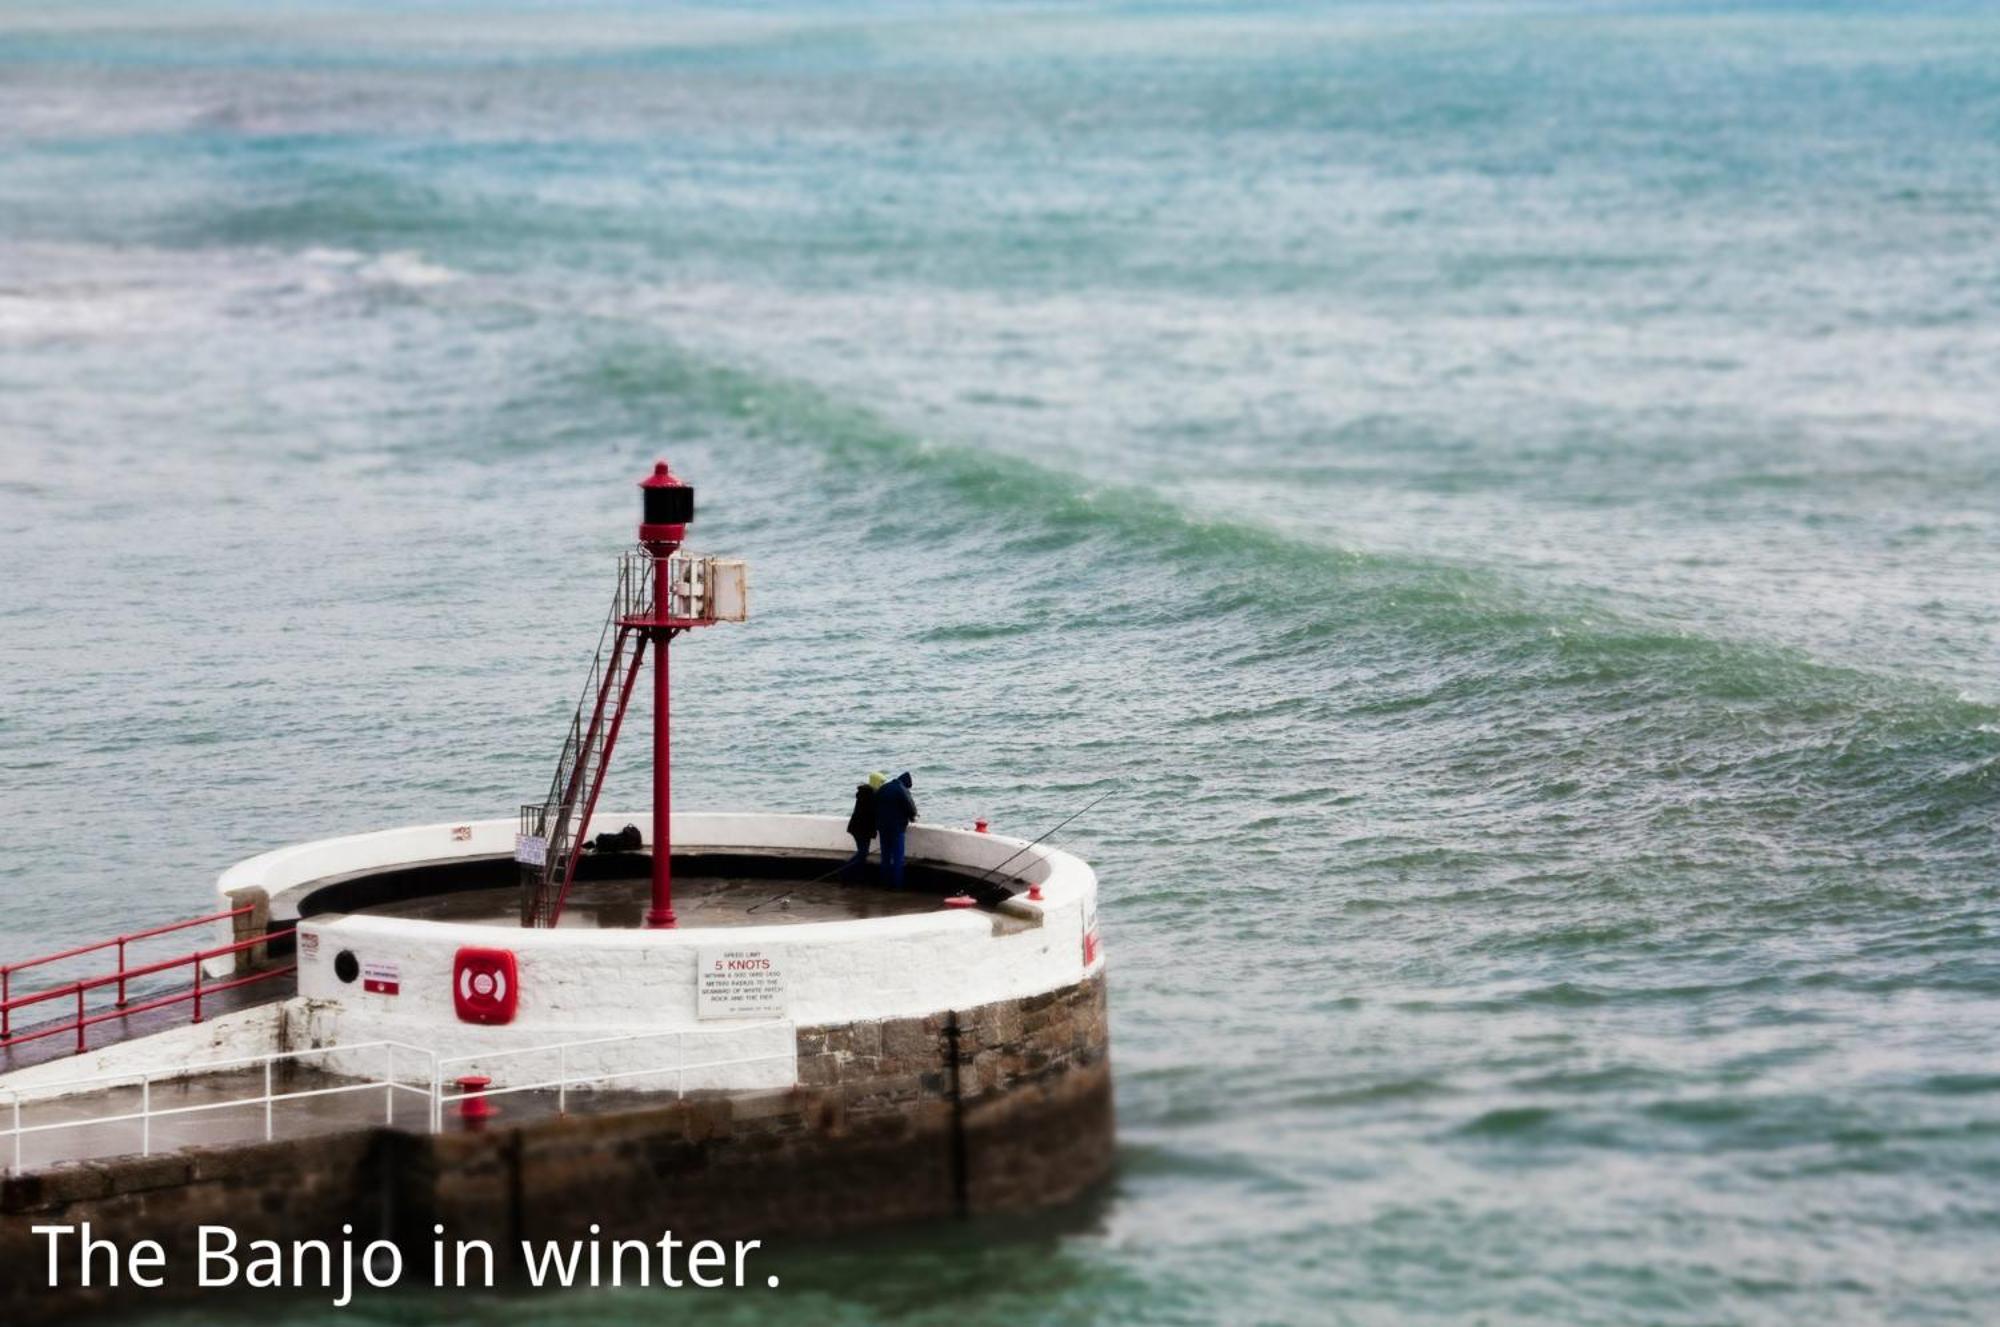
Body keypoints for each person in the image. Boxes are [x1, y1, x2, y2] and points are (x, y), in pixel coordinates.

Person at [874, 771, 918, 888]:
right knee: (898, 858)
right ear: (906, 784)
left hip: (882, 828)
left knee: (885, 856)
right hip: (897, 828)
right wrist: (912, 816)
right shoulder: (901, 789)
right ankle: (897, 885)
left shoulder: (884, 788)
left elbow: (874, 805)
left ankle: (884, 883)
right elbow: (911, 808)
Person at [842, 772, 885, 879]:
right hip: (861, 829)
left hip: (859, 828)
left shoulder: (866, 793)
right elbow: (872, 813)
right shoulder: (869, 796)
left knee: (863, 853)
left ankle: (855, 875)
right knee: (862, 853)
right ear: (875, 782)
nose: (882, 785)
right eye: (881, 783)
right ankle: (844, 871)